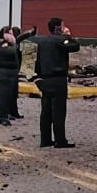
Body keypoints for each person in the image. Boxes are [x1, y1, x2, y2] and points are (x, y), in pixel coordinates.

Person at [33, 16, 80, 147]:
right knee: (59, 111)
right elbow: (75, 46)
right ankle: (60, 140)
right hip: (58, 79)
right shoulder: (61, 40)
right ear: (58, 28)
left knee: (46, 112)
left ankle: (45, 139)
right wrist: (68, 36)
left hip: (44, 79)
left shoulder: (42, 41)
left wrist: (38, 76)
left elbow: (38, 61)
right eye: (63, 26)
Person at [0, 25, 36, 124]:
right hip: (5, 74)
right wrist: (14, 44)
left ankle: (11, 112)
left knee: (12, 95)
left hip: (12, 73)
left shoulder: (10, 42)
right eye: (11, 33)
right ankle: (0, 117)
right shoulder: (1, 44)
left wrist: (29, 33)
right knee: (4, 96)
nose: (13, 36)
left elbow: (18, 39)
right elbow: (11, 51)